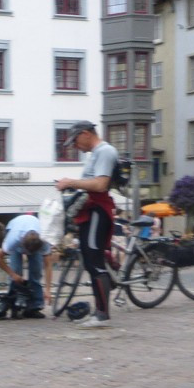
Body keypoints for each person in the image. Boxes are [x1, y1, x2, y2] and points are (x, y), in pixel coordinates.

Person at [56, 120, 118, 328]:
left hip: (97, 211)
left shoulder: (105, 151)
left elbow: (100, 184)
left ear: (85, 134)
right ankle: (102, 306)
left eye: (75, 141)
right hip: (91, 211)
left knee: (93, 261)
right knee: (91, 259)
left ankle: (102, 314)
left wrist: (71, 182)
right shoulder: (98, 153)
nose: (75, 147)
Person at [0, 214, 54, 316]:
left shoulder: (44, 241)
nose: (27, 254)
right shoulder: (13, 239)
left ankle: (34, 307)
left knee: (36, 272)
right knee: (16, 271)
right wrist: (12, 274)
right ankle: (14, 305)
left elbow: (48, 265)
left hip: (33, 234)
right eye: (26, 252)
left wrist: (48, 290)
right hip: (15, 227)